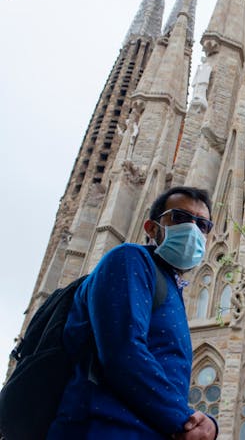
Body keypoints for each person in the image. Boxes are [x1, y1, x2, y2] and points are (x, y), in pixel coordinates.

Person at [47, 186, 218, 440]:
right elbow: (123, 352)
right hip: (101, 429)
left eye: (202, 224)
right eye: (180, 218)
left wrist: (207, 425)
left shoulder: (170, 286)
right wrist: (185, 423)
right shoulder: (130, 259)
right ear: (151, 228)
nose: (193, 229)